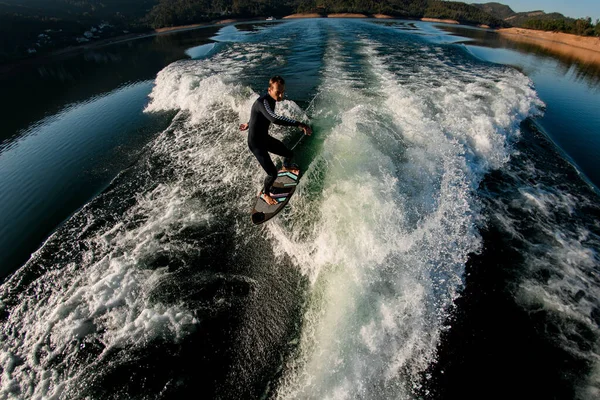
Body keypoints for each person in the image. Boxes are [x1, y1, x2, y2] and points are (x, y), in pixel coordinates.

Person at [240, 76, 312, 205]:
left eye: (283, 91)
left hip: (264, 138)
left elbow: (256, 115)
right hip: (256, 144)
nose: (281, 95)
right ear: (269, 90)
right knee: (272, 174)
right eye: (278, 92)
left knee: (289, 154)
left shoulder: (271, 100)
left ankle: (286, 166)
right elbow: (274, 119)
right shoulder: (263, 102)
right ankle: (265, 194)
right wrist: (299, 124)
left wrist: (248, 123)